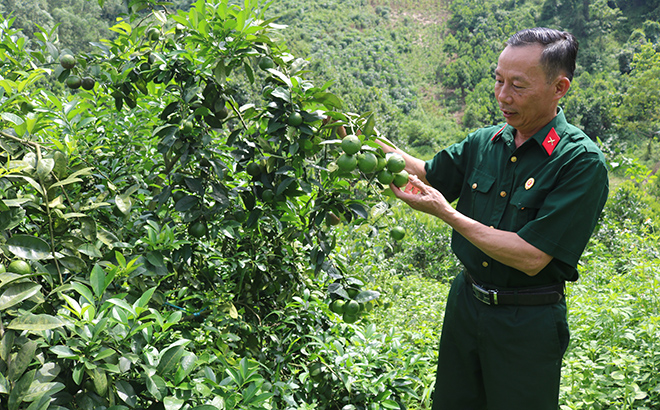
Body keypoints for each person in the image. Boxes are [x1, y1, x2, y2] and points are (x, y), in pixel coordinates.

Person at [377, 27, 609, 409]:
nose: (503, 96)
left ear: (560, 88)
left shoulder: (579, 162)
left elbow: (532, 256)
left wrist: (448, 214)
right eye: (498, 81)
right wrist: (358, 137)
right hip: (467, 304)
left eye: (518, 85)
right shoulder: (485, 142)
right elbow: (426, 173)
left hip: (527, 320)